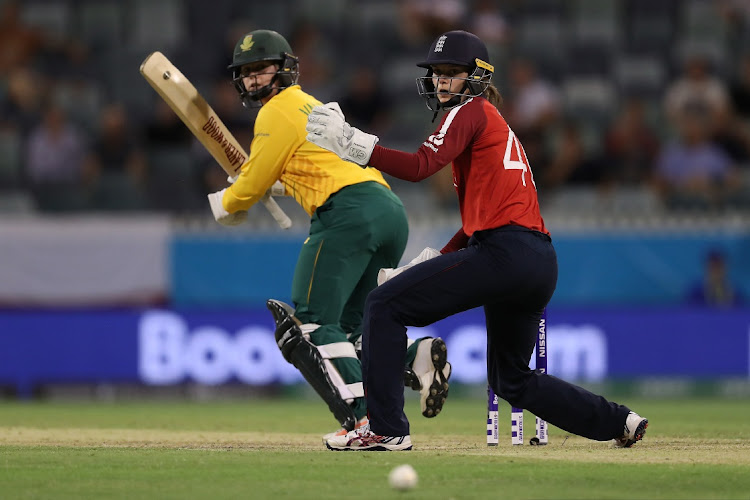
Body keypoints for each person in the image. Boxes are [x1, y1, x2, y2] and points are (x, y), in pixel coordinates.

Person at [306, 30, 648, 451]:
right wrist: (433, 259)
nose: (441, 82)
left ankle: (385, 427)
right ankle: (621, 420)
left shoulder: (470, 111)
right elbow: (476, 224)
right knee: (513, 381)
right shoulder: (494, 126)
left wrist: (351, 142)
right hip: (537, 261)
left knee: (383, 305)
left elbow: (418, 167)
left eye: (451, 73)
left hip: (504, 254)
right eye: (437, 74)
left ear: (476, 77)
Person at [205, 29, 452, 439]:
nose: (252, 79)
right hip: (387, 209)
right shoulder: (306, 105)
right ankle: (417, 357)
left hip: (348, 212)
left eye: (260, 69)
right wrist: (269, 184)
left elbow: (249, 184)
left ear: (284, 69)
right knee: (351, 331)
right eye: (245, 73)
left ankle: (368, 419)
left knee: (313, 323)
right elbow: (301, 168)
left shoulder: (275, 110)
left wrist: (225, 204)